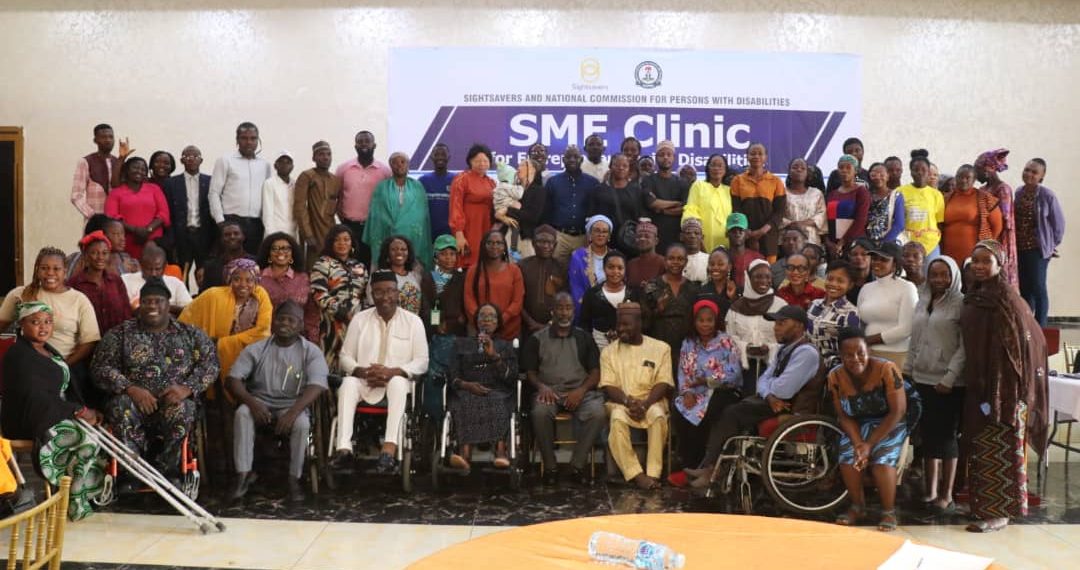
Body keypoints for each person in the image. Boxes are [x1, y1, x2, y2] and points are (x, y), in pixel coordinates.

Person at [961, 240, 1049, 533]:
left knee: (1002, 448)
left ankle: (1001, 513)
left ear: (1001, 264)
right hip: (979, 384)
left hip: (1004, 391)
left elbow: (1017, 349)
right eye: (975, 261)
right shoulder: (976, 295)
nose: (980, 266)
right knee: (980, 446)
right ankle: (983, 507)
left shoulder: (1007, 299)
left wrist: (1000, 390)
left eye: (986, 261)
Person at [93, 277, 219, 480]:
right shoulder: (121, 334)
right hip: (134, 404)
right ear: (139, 304)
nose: (152, 305)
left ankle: (167, 473)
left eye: (158, 301)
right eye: (147, 301)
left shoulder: (190, 334)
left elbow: (211, 365)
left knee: (182, 409)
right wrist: (130, 388)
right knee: (121, 407)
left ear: (168, 304)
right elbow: (100, 368)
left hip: (173, 402)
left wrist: (186, 388)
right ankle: (132, 473)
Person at [692, 305, 821, 486]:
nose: (776, 327)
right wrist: (769, 395)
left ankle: (711, 468)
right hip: (772, 403)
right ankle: (711, 466)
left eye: (782, 323)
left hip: (793, 408)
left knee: (732, 413)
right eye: (776, 323)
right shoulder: (785, 349)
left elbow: (783, 391)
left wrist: (769, 391)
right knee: (726, 408)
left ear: (799, 326)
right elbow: (763, 380)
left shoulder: (806, 352)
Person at [1, 301, 106, 520]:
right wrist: (76, 410)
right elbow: (34, 397)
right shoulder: (19, 355)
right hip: (28, 418)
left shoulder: (48, 350)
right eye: (35, 322)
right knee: (84, 440)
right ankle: (72, 499)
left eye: (48, 322)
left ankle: (76, 496)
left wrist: (82, 410)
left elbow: (61, 391)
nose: (43, 327)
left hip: (54, 411)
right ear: (22, 324)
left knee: (96, 435)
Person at [226, 300, 327, 502]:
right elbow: (232, 379)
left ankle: (294, 478)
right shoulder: (257, 349)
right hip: (259, 402)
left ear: (300, 326)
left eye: (291, 320)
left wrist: (292, 413)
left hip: (292, 405)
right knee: (242, 413)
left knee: (302, 424)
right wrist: (252, 403)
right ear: (273, 322)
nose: (284, 324)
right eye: (280, 319)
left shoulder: (311, 351)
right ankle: (243, 475)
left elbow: (317, 385)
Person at [334, 270, 429, 473]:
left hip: (397, 383)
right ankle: (344, 449)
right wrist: (361, 371)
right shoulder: (360, 319)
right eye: (379, 292)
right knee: (348, 383)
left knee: (396, 382)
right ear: (371, 294)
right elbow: (345, 357)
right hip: (365, 379)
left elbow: (422, 362)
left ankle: (389, 449)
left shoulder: (414, 322)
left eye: (390, 291)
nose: (385, 297)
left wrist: (393, 371)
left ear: (397, 293)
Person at [830, 327, 911, 532]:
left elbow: (898, 411)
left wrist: (869, 444)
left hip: (890, 422)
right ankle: (858, 506)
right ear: (840, 355)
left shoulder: (887, 368)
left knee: (882, 461)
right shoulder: (835, 376)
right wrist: (858, 443)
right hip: (858, 423)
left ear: (869, 352)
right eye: (848, 355)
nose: (855, 358)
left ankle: (888, 511)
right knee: (848, 457)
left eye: (861, 353)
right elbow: (844, 415)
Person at [522, 292, 605, 486]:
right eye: (560, 308)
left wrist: (581, 391)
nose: (564, 313)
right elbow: (530, 372)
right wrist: (541, 387)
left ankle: (577, 466)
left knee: (598, 413)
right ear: (552, 311)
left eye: (568, 308)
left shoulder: (584, 337)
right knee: (540, 413)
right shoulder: (537, 339)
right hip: (549, 392)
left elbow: (595, 372)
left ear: (573, 311)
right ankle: (550, 468)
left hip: (580, 392)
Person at [905, 256, 965, 514]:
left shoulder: (962, 304)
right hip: (922, 378)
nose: (939, 280)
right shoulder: (922, 301)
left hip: (948, 383)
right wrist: (908, 369)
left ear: (953, 276)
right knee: (928, 438)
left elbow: (964, 347)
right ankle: (930, 491)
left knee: (947, 438)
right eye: (935, 274)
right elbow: (914, 338)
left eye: (944, 275)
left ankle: (946, 493)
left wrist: (949, 377)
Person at [0, 247, 101, 396]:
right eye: (44, 268)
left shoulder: (79, 300)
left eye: (56, 268)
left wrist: (62, 366)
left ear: (65, 271)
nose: (50, 273)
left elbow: (89, 343)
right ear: (37, 270)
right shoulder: (20, 294)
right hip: (28, 366)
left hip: (66, 365)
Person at [599, 302, 674, 490]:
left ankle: (653, 474)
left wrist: (646, 403)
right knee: (616, 419)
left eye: (626, 324)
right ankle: (636, 475)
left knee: (657, 416)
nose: (620, 329)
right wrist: (628, 401)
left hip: (652, 401)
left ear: (639, 323)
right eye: (619, 324)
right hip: (621, 403)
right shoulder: (608, 352)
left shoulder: (661, 348)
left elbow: (663, 382)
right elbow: (608, 385)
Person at [671, 300, 742, 481]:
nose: (705, 324)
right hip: (695, 392)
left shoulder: (726, 341)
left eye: (709, 320)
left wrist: (708, 380)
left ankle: (704, 467)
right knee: (681, 411)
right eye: (701, 320)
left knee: (705, 414)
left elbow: (734, 374)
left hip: (723, 390)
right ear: (694, 322)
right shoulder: (689, 343)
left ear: (715, 320)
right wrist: (687, 392)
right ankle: (688, 466)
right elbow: (683, 372)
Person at [179, 258, 272, 388]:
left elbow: (263, 331)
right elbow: (188, 317)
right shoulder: (213, 295)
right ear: (229, 280)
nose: (243, 284)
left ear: (256, 281)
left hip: (253, 355)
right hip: (214, 355)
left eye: (249, 280)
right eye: (237, 279)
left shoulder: (260, 296)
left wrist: (223, 343)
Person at [447, 304, 518, 471]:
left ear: (498, 322)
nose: (487, 320)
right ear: (476, 321)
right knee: (466, 401)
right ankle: (465, 454)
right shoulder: (461, 343)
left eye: (492, 316)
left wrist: (494, 356)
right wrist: (467, 385)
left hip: (498, 390)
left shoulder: (505, 346)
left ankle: (501, 453)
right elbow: (452, 375)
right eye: (482, 316)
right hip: (467, 389)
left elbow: (511, 378)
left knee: (497, 400)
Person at [309, 225, 368, 371]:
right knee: (330, 365)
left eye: (346, 239)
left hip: (357, 322)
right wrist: (340, 312)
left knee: (354, 364)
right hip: (331, 322)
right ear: (331, 243)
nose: (342, 243)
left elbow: (365, 294)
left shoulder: (360, 266)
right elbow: (318, 292)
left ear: (352, 243)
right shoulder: (323, 263)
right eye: (337, 240)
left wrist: (363, 315)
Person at [1014, 158, 1065, 326]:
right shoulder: (1019, 193)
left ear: (1041, 177)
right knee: (1025, 289)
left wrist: (1050, 245)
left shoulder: (1046, 195)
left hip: (1037, 250)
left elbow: (1059, 225)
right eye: (1027, 169)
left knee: (1038, 288)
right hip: (1020, 248)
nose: (1029, 174)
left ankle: (1041, 327)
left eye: (1034, 172)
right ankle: (1028, 326)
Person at [209, 122, 272, 254]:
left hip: (256, 224)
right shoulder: (225, 160)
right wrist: (221, 221)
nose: (249, 142)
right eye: (244, 138)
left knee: (253, 265)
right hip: (231, 222)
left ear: (258, 140)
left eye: (253, 138)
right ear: (237, 140)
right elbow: (214, 193)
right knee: (228, 265)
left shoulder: (265, 165)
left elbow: (268, 194)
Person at [364, 152, 433, 270]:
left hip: (413, 237)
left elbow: (421, 215)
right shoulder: (382, 187)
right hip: (386, 234)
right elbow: (376, 214)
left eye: (402, 162)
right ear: (390, 166)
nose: (399, 165)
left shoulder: (417, 187)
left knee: (412, 275)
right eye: (395, 162)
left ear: (408, 165)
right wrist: (390, 224)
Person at [726, 259, 787, 391]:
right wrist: (745, 348)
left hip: (773, 368)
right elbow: (729, 338)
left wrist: (770, 348)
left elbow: (788, 338)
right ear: (748, 278)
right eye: (758, 276)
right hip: (743, 368)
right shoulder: (736, 307)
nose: (763, 281)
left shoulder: (781, 305)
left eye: (767, 277)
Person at [857, 242, 917, 370]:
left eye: (883, 260)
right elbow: (859, 321)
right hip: (866, 354)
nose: (877, 263)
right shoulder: (866, 288)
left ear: (895, 264)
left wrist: (869, 340)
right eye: (875, 259)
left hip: (895, 355)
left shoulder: (907, 288)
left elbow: (906, 329)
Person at [336, 130, 392, 266]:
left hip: (374, 227)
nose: (364, 144)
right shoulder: (344, 169)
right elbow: (337, 195)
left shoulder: (385, 171)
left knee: (371, 263)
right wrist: (342, 218)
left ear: (374, 145)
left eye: (367, 141)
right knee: (349, 263)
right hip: (350, 226)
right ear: (355, 146)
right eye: (360, 142)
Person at [643, 243, 699, 371]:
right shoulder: (652, 286)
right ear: (665, 261)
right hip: (658, 346)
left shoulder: (693, 288)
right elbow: (643, 322)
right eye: (671, 258)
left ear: (686, 262)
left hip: (685, 347)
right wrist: (658, 310)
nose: (675, 262)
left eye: (680, 259)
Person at [105, 157, 171, 260]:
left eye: (143, 169)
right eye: (135, 167)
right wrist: (136, 230)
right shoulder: (116, 193)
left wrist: (148, 230)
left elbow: (163, 213)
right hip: (126, 241)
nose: (139, 171)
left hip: (153, 241)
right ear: (126, 170)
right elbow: (111, 217)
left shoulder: (154, 189)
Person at [67, 231, 132, 336]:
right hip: (86, 344)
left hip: (116, 343)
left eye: (104, 253)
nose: (100, 257)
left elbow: (127, 314)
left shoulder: (116, 281)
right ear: (86, 256)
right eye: (94, 253)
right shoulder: (74, 284)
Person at [464, 229, 524, 341]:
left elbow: (517, 301)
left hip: (509, 331)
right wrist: (483, 321)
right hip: (480, 331)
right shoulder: (473, 271)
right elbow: (469, 300)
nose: (494, 246)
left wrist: (498, 321)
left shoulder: (514, 270)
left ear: (504, 247)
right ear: (483, 246)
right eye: (490, 243)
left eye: (498, 243)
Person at [544, 146, 600, 264]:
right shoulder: (553, 182)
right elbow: (546, 210)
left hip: (584, 236)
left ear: (581, 160)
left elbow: (597, 210)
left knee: (584, 273)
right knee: (556, 272)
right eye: (569, 157)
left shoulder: (593, 183)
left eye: (576, 157)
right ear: (563, 160)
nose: (572, 160)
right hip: (560, 236)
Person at [730, 143, 786, 261]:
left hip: (769, 235)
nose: (756, 156)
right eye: (753, 153)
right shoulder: (738, 180)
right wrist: (747, 231)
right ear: (747, 157)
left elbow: (779, 211)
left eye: (760, 154)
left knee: (767, 273)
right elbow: (736, 208)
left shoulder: (776, 181)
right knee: (744, 269)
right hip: (745, 235)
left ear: (765, 157)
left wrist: (763, 230)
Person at [164, 145, 214, 276]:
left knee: (205, 274)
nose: (192, 159)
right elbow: (168, 212)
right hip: (181, 236)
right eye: (187, 157)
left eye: (195, 157)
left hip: (204, 235)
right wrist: (171, 239)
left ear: (201, 160)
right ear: (181, 160)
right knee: (181, 274)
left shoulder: (211, 181)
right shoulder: (171, 183)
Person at [293, 141, 342, 271]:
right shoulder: (307, 176)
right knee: (312, 268)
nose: (325, 157)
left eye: (328, 154)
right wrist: (308, 234)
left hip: (330, 230)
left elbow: (337, 206)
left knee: (331, 269)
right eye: (321, 154)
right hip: (312, 231)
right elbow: (300, 206)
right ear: (314, 157)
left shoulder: (335, 180)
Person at [580, 251, 642, 351]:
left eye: (620, 268)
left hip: (628, 345)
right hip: (598, 346)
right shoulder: (592, 294)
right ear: (604, 268)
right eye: (611, 267)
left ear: (625, 270)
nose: (615, 272)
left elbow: (641, 321)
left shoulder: (634, 293)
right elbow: (584, 323)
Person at [941, 164, 1002, 264]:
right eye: (960, 177)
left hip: (975, 253)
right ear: (955, 178)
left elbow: (997, 226)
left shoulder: (985, 198)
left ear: (974, 180)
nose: (963, 180)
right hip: (949, 252)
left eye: (967, 177)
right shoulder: (946, 198)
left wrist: (986, 245)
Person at [974, 149, 1018, 287]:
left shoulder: (1003, 189)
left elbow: (1004, 219)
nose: (976, 175)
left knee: (1000, 276)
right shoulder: (982, 189)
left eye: (978, 171)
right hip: (985, 239)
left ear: (988, 170)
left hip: (1000, 239)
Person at [449, 144, 497, 268]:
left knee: (486, 264)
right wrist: (459, 234)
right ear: (470, 161)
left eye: (485, 160)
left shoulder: (491, 182)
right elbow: (455, 207)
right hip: (469, 230)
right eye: (477, 160)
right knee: (469, 264)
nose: (482, 164)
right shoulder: (461, 179)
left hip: (487, 228)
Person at [368, 235, 435, 323]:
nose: (399, 252)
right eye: (394, 249)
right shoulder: (379, 276)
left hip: (413, 325)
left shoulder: (416, 276)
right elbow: (372, 303)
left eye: (403, 249)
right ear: (387, 253)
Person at [807, 260, 861, 369]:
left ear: (850, 285)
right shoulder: (814, 304)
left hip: (831, 368)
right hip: (806, 362)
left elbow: (851, 349)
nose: (833, 284)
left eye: (840, 281)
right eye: (830, 279)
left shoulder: (851, 313)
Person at [588, 154, 642, 254]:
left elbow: (640, 215)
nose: (621, 168)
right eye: (617, 165)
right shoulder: (599, 190)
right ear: (610, 166)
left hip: (629, 241)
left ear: (629, 169)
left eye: (625, 166)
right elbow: (591, 216)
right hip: (604, 241)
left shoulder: (636, 190)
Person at [641, 141, 689, 252]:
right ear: (656, 157)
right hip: (654, 235)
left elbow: (685, 208)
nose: (665, 157)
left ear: (674, 157)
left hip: (676, 234)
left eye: (669, 154)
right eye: (661, 155)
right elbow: (652, 203)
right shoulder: (649, 180)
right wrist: (676, 203)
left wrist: (662, 211)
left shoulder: (682, 182)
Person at [519, 225, 565, 338]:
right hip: (526, 326)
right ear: (533, 243)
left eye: (550, 242)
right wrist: (531, 322)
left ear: (555, 245)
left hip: (554, 327)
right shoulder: (522, 266)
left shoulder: (561, 268)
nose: (545, 246)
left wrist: (550, 324)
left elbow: (565, 299)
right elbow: (517, 299)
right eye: (541, 242)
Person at [898, 150, 945, 260]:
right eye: (916, 170)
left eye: (923, 170)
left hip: (930, 244)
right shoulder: (900, 192)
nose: (920, 172)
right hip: (906, 244)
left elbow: (940, 224)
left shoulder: (936, 195)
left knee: (930, 275)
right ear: (910, 172)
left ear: (928, 172)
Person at [122, 244, 193, 315]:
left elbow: (190, 310)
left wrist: (165, 308)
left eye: (157, 269)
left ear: (165, 266)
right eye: (149, 269)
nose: (153, 273)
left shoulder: (176, 284)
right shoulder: (125, 281)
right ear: (141, 265)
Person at [683, 154, 734, 251]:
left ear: (725, 170)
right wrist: (698, 240)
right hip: (702, 242)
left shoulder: (729, 190)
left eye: (720, 166)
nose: (716, 168)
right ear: (708, 168)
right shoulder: (698, 186)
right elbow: (691, 210)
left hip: (725, 243)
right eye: (713, 165)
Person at [255, 232, 311, 320]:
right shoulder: (256, 277)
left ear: (293, 253)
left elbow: (310, 310)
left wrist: (310, 333)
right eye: (275, 248)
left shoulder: (303, 278)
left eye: (286, 249)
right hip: (263, 330)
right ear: (268, 253)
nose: (281, 252)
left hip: (296, 331)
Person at [824, 154, 870, 260]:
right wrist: (828, 243)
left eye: (848, 167)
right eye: (841, 167)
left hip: (854, 246)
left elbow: (860, 220)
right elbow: (825, 220)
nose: (844, 170)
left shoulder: (861, 191)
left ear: (856, 171)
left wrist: (842, 242)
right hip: (833, 248)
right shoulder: (831, 194)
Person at [71, 123, 120, 219]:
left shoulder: (118, 162)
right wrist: (93, 216)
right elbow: (76, 196)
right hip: (94, 222)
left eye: (111, 137)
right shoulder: (86, 162)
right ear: (95, 140)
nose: (108, 140)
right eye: (103, 137)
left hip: (116, 223)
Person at [568, 215, 613, 318]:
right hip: (585, 308)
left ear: (609, 236)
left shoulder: (615, 256)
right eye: (597, 230)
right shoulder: (577, 256)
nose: (601, 234)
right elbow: (576, 287)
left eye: (604, 231)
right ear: (590, 234)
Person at [503, 159, 548, 258]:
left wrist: (509, 210)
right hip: (510, 235)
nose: (518, 168)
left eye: (523, 165)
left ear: (533, 170)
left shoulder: (539, 191)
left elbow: (532, 217)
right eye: (518, 165)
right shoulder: (512, 189)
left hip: (527, 238)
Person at [198, 220, 254, 291]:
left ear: (243, 237)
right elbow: (205, 293)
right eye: (227, 235)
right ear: (221, 239)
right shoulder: (210, 266)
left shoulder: (254, 262)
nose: (232, 237)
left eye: (236, 234)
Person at [783, 158, 827, 246]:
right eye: (795, 167)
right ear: (789, 172)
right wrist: (792, 225)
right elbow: (777, 215)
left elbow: (821, 215)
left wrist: (802, 224)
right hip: (788, 241)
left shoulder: (816, 193)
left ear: (807, 173)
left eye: (803, 168)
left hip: (811, 240)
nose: (799, 170)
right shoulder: (781, 192)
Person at [419, 143, 454, 239]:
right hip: (428, 232)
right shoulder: (422, 180)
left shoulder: (457, 179)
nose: (440, 157)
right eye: (436, 154)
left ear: (449, 157)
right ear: (431, 157)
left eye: (443, 154)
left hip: (450, 232)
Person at [865, 162, 906, 245]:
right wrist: (866, 242)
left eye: (882, 174)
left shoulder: (896, 196)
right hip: (867, 243)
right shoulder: (866, 195)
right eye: (874, 174)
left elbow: (899, 224)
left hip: (888, 242)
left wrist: (883, 243)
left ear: (887, 176)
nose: (878, 177)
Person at [260, 151, 297, 240]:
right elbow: (267, 213)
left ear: (292, 167)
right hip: (274, 232)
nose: (285, 165)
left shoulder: (295, 184)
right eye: (281, 162)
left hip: (292, 233)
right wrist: (271, 236)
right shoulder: (269, 183)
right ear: (275, 166)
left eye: (288, 162)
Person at [697, 247, 739, 321]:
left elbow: (740, 316)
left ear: (729, 266)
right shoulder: (701, 291)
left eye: (720, 264)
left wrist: (733, 298)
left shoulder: (738, 290)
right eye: (712, 264)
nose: (715, 267)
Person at [725, 213, 765, 289]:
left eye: (741, 231)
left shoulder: (757, 258)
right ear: (726, 234)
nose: (737, 234)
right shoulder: (721, 257)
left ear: (747, 233)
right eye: (733, 231)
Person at [625, 219, 665, 288]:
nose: (642, 239)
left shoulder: (664, 263)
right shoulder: (630, 264)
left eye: (647, 236)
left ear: (656, 241)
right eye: (639, 236)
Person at [845, 238, 874, 304]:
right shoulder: (843, 279)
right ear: (849, 257)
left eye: (864, 254)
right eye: (854, 254)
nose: (859, 257)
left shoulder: (878, 282)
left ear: (872, 257)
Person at [680, 218, 709, 284]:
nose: (692, 236)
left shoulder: (709, 260)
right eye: (688, 233)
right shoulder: (675, 260)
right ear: (681, 237)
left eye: (696, 233)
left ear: (702, 237)